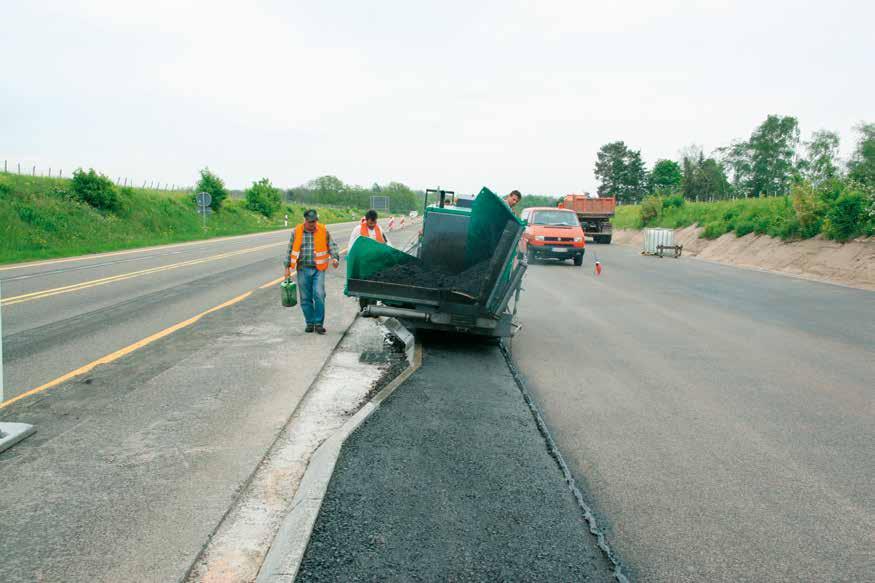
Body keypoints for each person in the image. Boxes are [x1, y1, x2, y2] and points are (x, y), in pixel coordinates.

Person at [283, 209, 340, 334]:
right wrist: (287, 268)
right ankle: (310, 322)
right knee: (305, 298)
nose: (312, 224)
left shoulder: (323, 230)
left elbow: (332, 245)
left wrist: (335, 258)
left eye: (314, 221)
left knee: (319, 294)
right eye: (310, 222)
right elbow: (289, 249)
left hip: (318, 269)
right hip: (302, 269)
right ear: (305, 220)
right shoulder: (296, 231)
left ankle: (319, 323)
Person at [348, 209, 390, 312]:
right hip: (363, 263)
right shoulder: (358, 230)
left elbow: (386, 242)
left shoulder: (379, 229)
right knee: (364, 286)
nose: (372, 225)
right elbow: (351, 244)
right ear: (366, 220)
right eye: (371, 223)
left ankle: (373, 308)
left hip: (375, 263)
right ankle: (363, 307)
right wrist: (351, 258)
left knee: (374, 285)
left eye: (374, 222)